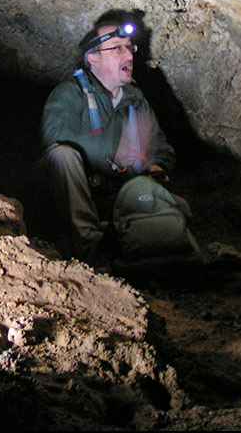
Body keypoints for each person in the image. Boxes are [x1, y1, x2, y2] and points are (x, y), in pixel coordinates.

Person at [39, 15, 202, 278]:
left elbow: (162, 146)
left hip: (116, 195)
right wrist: (114, 154)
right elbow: (55, 136)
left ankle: (130, 248)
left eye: (130, 48)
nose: (128, 55)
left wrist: (156, 166)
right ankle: (90, 249)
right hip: (77, 195)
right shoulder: (69, 93)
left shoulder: (136, 101)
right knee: (61, 156)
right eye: (117, 48)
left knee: (179, 207)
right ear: (93, 58)